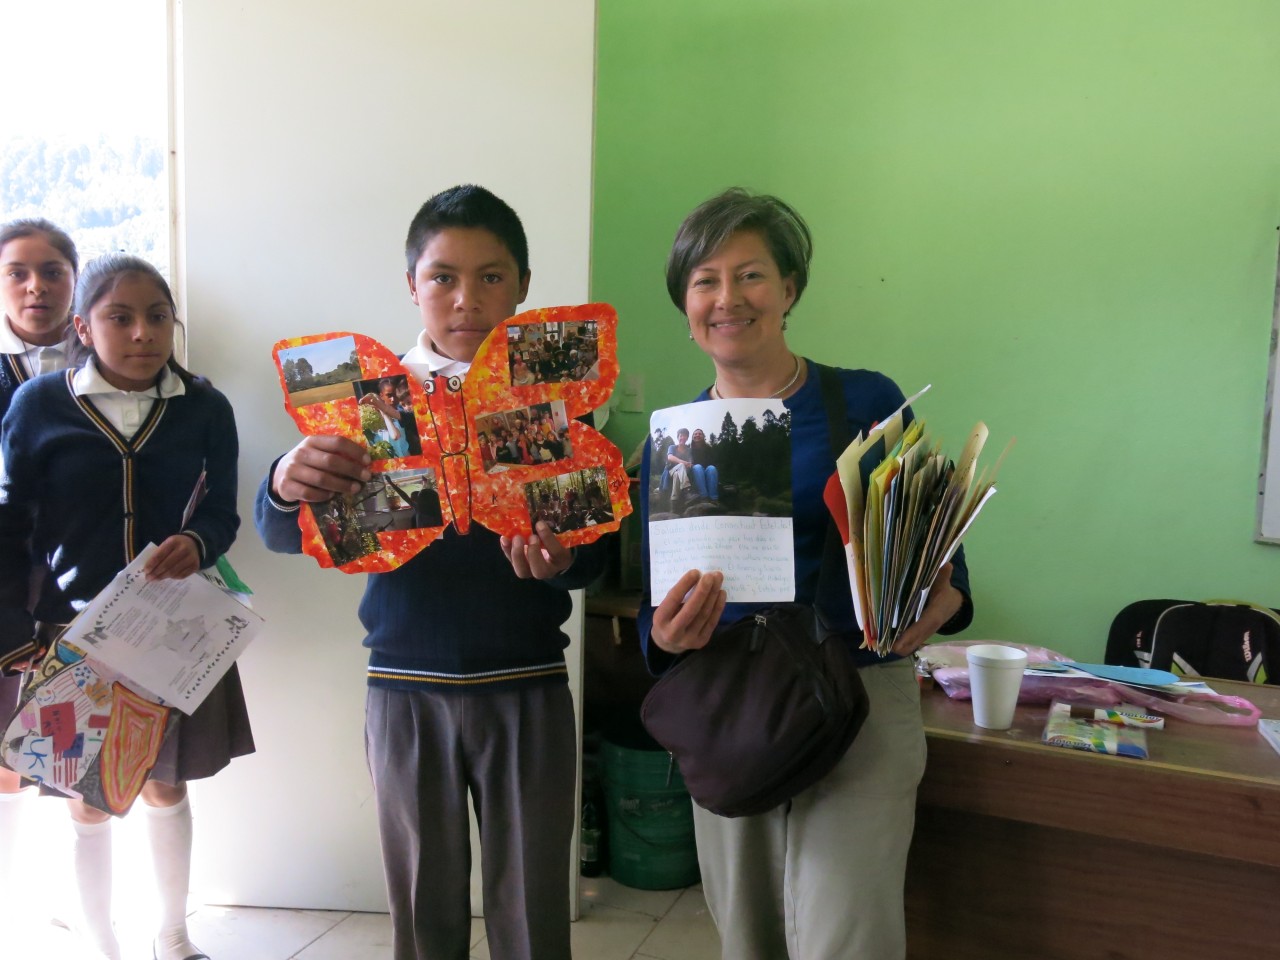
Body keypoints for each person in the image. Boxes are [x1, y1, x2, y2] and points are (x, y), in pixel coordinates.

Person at [254, 184, 607, 960]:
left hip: (529, 682)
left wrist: (564, 560)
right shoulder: (366, 405)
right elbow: (283, 529)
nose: (466, 299)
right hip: (404, 687)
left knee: (533, 909)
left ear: (522, 286)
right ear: (411, 286)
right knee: (421, 908)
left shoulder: (555, 400)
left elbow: (597, 558)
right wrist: (286, 476)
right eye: (443, 276)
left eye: (491, 276)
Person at [639, 188, 973, 960]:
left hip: (858, 693)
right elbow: (658, 608)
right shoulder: (672, 442)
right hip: (730, 705)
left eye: (751, 275)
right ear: (686, 305)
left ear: (789, 289)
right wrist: (665, 633)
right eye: (705, 281)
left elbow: (944, 564)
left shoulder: (867, 402)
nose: (729, 298)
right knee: (748, 936)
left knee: (846, 938)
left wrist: (937, 599)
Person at [0, 253, 249, 960]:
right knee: (87, 796)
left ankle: (173, 932)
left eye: (158, 316)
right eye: (120, 317)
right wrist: (15, 631)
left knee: (166, 785)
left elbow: (226, 514)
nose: (143, 332)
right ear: (83, 325)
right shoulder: (39, 406)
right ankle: (101, 941)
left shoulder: (205, 406)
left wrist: (198, 542)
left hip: (176, 629)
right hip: (73, 633)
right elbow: (10, 521)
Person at [0, 217, 86, 931]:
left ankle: (74, 907)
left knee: (78, 750)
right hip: (3, 582)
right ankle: (13, 907)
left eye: (53, 269)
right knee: (5, 755)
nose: (36, 285)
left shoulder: (114, 351)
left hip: (85, 579)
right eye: (18, 272)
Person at [689, 427, 719, 501]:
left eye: (700, 434)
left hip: (707, 471)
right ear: (692, 437)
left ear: (703, 436)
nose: (697, 435)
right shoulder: (689, 450)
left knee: (712, 468)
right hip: (695, 473)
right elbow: (688, 463)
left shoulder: (709, 448)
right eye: (695, 434)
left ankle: (714, 498)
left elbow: (713, 462)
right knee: (697, 467)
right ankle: (704, 497)